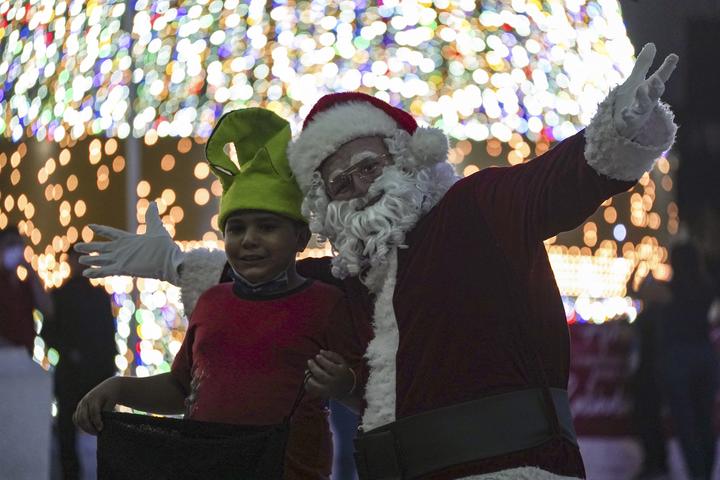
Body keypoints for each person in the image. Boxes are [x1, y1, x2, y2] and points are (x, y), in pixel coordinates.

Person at [77, 44, 679, 479]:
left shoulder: (475, 211)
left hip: (514, 468)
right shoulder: (351, 279)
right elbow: (263, 278)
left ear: (407, 159)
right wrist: (171, 262)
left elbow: (556, 184)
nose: (359, 186)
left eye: (369, 166)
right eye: (339, 183)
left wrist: (623, 132)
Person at [73, 108, 368, 480]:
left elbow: (373, 399)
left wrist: (346, 385)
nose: (248, 240)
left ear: (300, 238)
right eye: (236, 228)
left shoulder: (326, 304)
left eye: (267, 227)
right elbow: (181, 389)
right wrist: (118, 388)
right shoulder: (212, 301)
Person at [40, 247, 117, 480]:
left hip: (85, 373)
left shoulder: (94, 295)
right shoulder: (64, 295)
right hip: (78, 374)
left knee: (82, 428)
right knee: (74, 428)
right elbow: (49, 333)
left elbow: (106, 336)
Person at [658, 243, 718, 480]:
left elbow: (639, 290)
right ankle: (706, 473)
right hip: (705, 355)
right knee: (706, 421)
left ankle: (696, 474)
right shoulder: (708, 288)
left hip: (678, 359)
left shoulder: (670, 290)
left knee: (685, 423)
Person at [630, 275, 671, 480]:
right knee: (652, 420)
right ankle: (659, 462)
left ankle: (653, 462)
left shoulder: (653, 315)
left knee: (648, 420)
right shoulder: (659, 313)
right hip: (653, 375)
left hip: (649, 376)